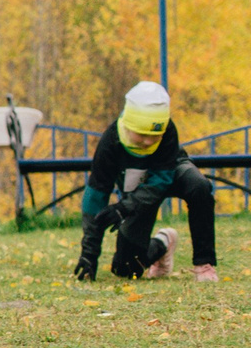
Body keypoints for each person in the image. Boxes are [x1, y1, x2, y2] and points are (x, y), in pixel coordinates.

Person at [76, 80, 221, 282]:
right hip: (138, 191)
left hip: (171, 171)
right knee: (125, 269)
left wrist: (124, 207)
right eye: (142, 135)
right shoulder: (110, 143)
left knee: (199, 186)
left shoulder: (168, 130)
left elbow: (161, 180)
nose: (147, 142)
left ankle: (204, 264)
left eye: (155, 136)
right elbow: (95, 198)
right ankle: (163, 243)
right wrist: (89, 254)